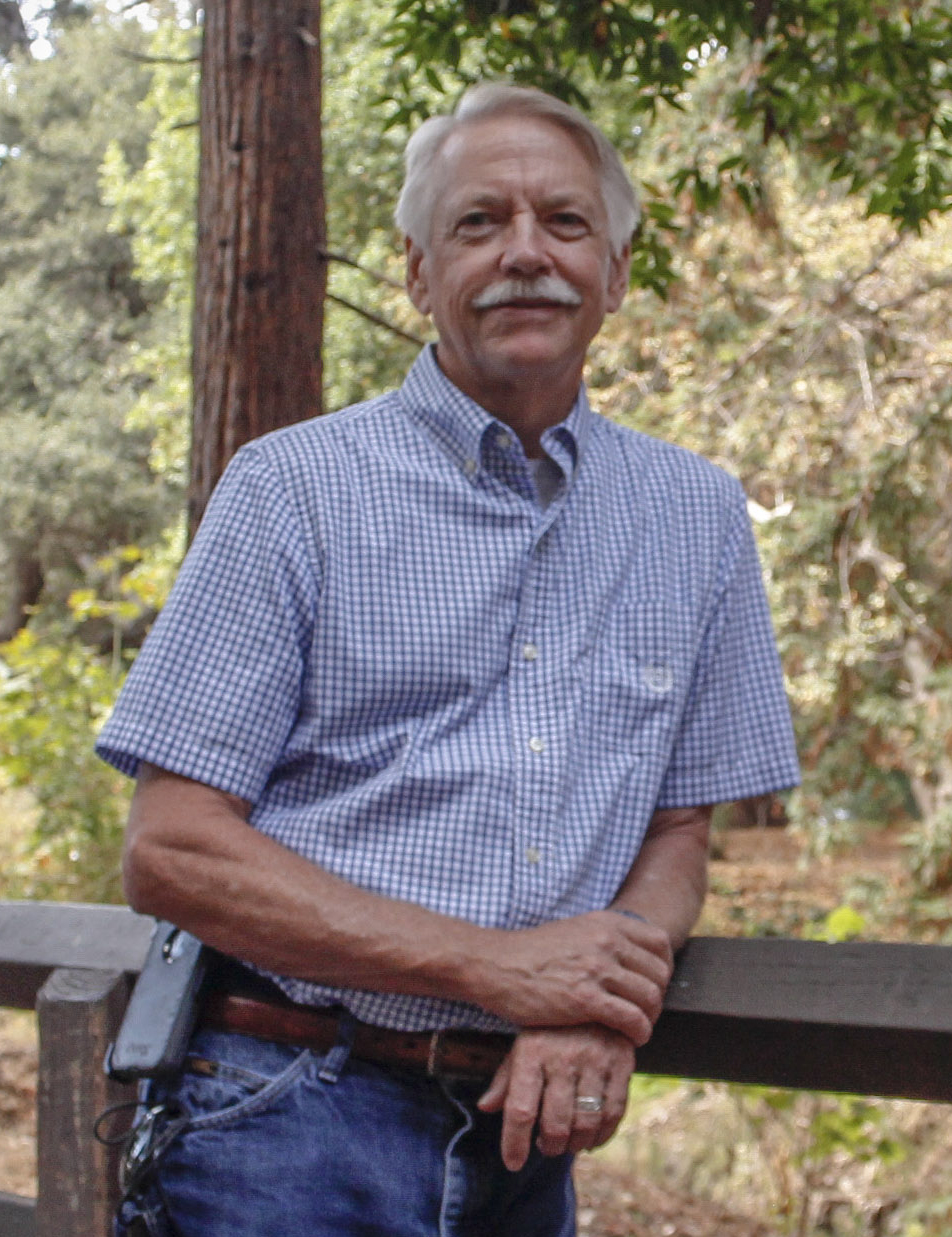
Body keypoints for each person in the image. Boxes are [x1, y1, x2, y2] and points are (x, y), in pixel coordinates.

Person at [96, 82, 799, 1237]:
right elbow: (171, 853)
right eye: (480, 223)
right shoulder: (292, 489)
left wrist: (593, 999)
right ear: (419, 273)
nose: (527, 252)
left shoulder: (696, 513)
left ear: (615, 272)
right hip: (283, 1119)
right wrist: (498, 969)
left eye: (565, 223)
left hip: (532, 1134)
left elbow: (676, 837)